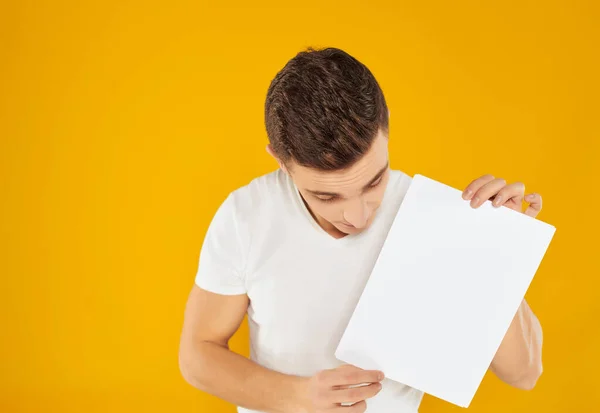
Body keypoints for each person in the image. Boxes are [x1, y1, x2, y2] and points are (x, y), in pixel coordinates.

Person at [178, 47, 544, 413]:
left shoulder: (434, 218)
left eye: (373, 182)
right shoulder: (248, 215)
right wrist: (298, 398)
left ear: (386, 129)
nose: (356, 217)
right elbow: (198, 354)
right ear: (281, 161)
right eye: (326, 195)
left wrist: (501, 253)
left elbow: (525, 374)